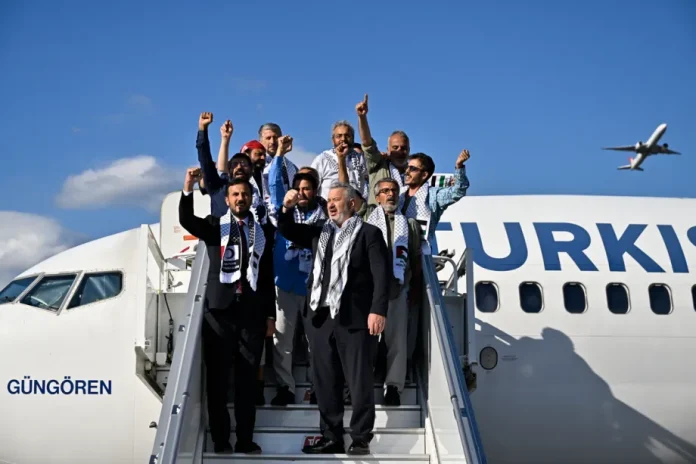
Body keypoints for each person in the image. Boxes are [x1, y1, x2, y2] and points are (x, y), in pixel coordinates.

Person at [278, 181, 389, 455]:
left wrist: (378, 310)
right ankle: (331, 437)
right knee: (325, 380)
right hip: (320, 318)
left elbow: (381, 275)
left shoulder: (369, 233)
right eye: (328, 200)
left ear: (351, 203)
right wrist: (286, 209)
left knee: (359, 380)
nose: (330, 204)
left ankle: (360, 437)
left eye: (336, 199)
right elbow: (288, 230)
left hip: (355, 318)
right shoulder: (320, 231)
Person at [178, 168, 276, 455]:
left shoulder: (261, 232)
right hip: (219, 313)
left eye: (244, 194)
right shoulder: (214, 226)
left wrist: (270, 315)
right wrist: (188, 187)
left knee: (247, 381)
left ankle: (245, 439)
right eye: (235, 194)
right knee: (218, 380)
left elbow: (266, 276)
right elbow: (186, 220)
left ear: (251, 198)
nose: (240, 198)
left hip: (251, 315)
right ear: (228, 199)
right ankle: (221, 440)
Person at [268, 146, 326, 405]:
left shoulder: (326, 215)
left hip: (315, 287)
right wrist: (279, 154)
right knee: (283, 340)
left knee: (316, 342)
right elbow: (273, 183)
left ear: (315, 191)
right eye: (299, 188)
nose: (303, 193)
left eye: (308, 188)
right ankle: (285, 388)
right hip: (286, 285)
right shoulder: (283, 212)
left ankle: (317, 388)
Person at [366, 178, 422, 406]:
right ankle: (360, 384)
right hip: (369, 290)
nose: (390, 195)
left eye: (394, 191)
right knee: (366, 339)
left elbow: (415, 257)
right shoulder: (366, 221)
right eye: (385, 191)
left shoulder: (409, 225)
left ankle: (393, 387)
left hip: (398, 288)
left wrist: (414, 288)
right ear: (377, 196)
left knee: (397, 340)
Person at [400, 151, 470, 254]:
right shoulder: (398, 193)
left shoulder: (434, 195)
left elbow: (458, 191)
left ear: (424, 175)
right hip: (396, 251)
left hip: (420, 254)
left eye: (412, 169)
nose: (407, 171)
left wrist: (459, 166)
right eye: (407, 167)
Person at [354, 94, 411, 206]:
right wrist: (362, 117)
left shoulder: (414, 172)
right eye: (395, 147)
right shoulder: (378, 165)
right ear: (388, 150)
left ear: (409, 150)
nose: (400, 151)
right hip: (377, 216)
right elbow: (367, 143)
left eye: (404, 148)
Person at [311, 121, 369, 200]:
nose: (343, 139)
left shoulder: (361, 158)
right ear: (333, 140)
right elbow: (311, 187)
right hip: (328, 206)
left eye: (347, 135)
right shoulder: (322, 159)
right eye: (339, 136)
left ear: (353, 138)